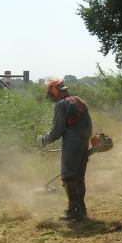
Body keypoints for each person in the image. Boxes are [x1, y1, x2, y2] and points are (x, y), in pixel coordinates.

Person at [37, 79, 92, 222]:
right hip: (83, 141)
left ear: (55, 91)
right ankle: (81, 209)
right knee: (78, 177)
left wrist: (44, 140)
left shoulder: (62, 104)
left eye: (51, 93)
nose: (52, 97)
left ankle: (74, 211)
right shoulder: (78, 100)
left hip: (72, 143)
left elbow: (56, 132)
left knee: (68, 176)